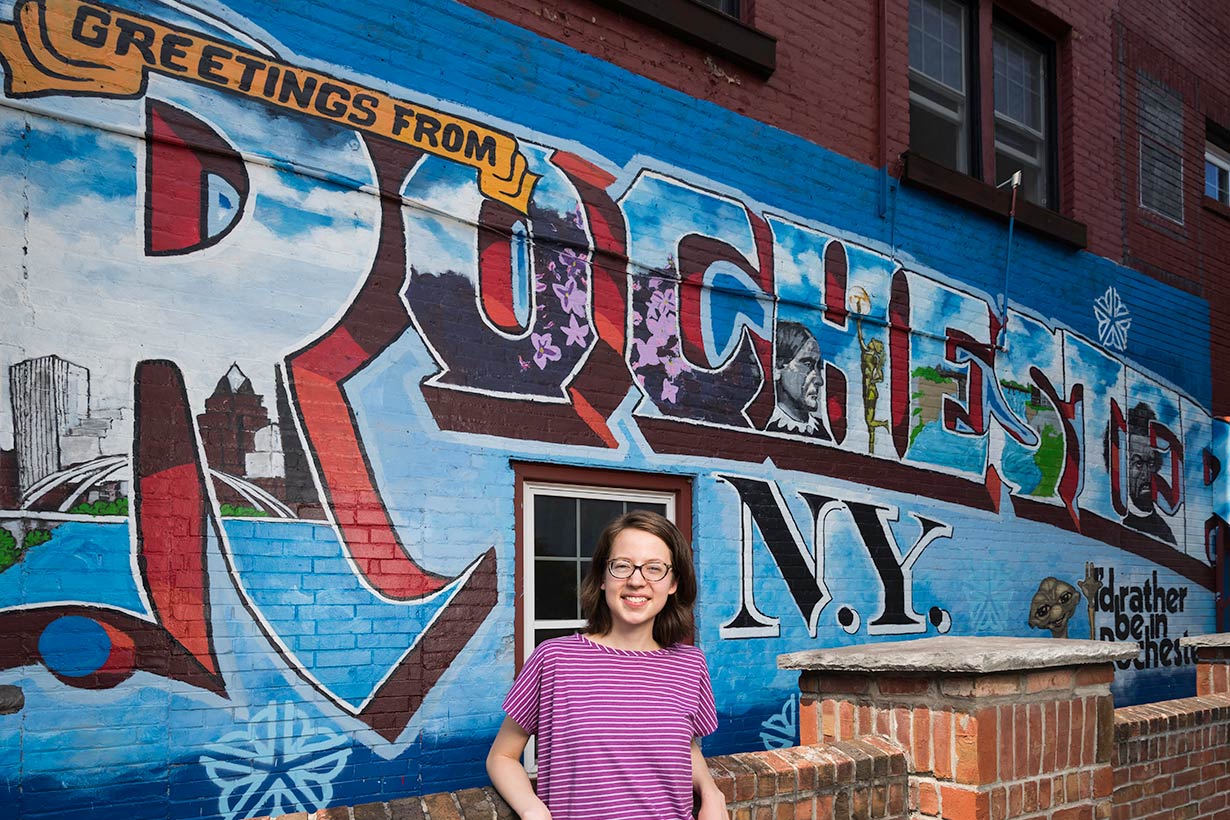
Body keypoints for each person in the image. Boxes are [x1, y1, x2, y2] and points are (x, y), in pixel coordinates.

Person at [487, 510, 728, 820]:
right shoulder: (554, 660)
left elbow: (686, 746)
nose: (637, 581)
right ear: (602, 577)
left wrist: (710, 790)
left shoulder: (690, 664)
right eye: (622, 566)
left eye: (654, 568)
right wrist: (534, 810)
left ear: (673, 583)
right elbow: (502, 757)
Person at [766, 321, 832, 439]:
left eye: (818, 367)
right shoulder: (765, 428)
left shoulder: (823, 435)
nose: (819, 380)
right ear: (777, 367)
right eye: (807, 364)